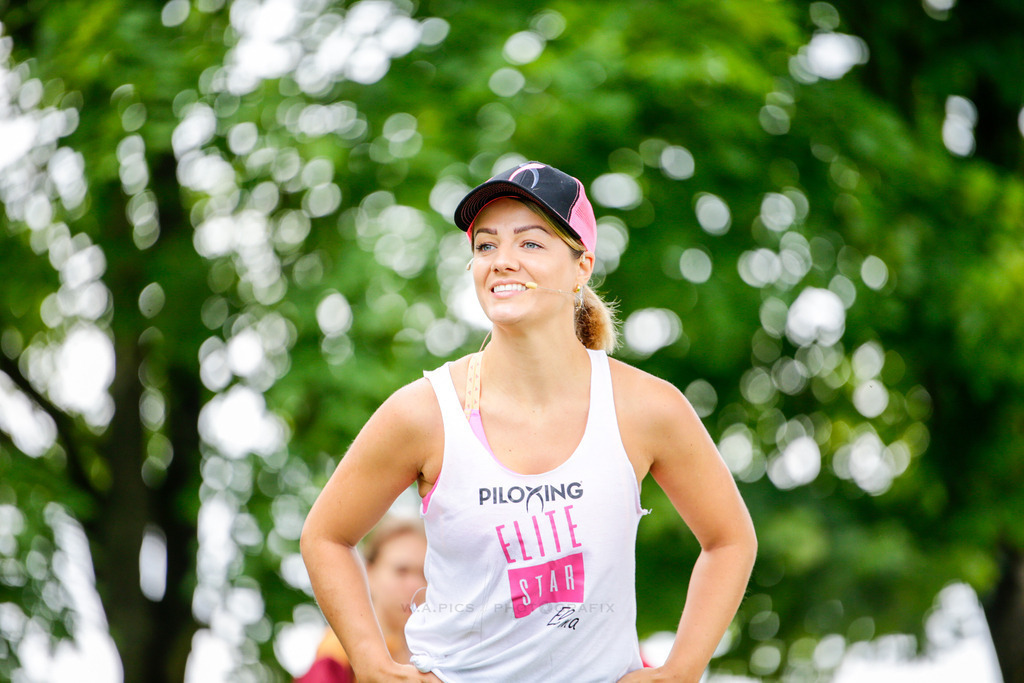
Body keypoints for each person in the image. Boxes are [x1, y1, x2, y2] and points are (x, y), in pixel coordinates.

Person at [301, 161, 757, 682]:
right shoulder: (425, 412)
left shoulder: (647, 408)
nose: (502, 261)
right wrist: (372, 664)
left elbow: (729, 540)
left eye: (531, 244)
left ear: (582, 265)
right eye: (486, 245)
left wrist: (682, 669)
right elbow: (326, 537)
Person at [296, 517, 427, 682]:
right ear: (368, 573)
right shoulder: (338, 651)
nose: (416, 585)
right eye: (402, 571)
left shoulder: (435, 652)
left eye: (424, 573)